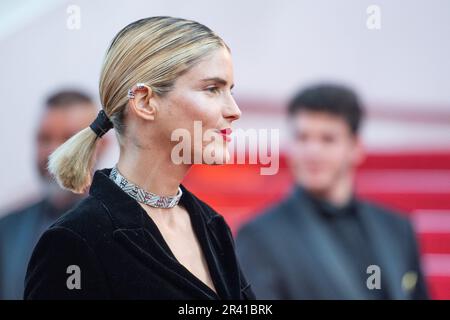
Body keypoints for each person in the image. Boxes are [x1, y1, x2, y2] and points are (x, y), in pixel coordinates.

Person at [24, 16, 255, 300]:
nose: (234, 110)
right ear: (145, 102)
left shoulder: (210, 224)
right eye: (212, 89)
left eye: (230, 90)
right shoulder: (76, 241)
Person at [236, 84, 428, 299]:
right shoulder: (259, 236)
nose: (312, 152)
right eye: (302, 138)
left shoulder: (397, 228)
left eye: (328, 139)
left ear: (355, 147)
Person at [0, 90, 106, 299]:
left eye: (69, 138)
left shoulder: (128, 227)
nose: (53, 151)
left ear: (103, 145)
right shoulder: (7, 228)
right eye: (44, 138)